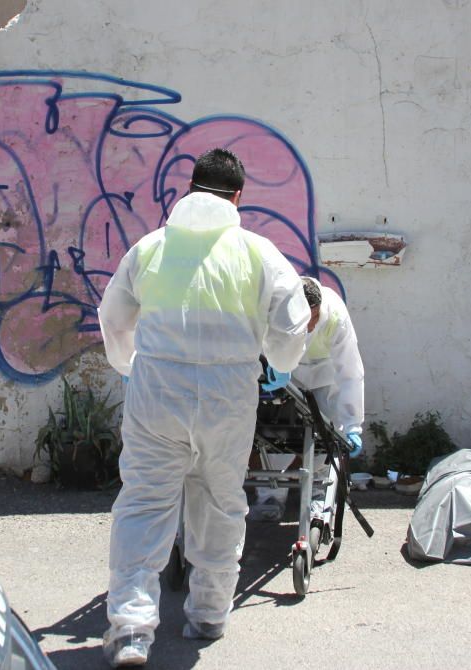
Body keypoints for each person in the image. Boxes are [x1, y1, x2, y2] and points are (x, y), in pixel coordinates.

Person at [97, 148, 310, 667]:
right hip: (227, 397)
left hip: (157, 393)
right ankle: (209, 615)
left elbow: (114, 317)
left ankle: (130, 629)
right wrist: (279, 364)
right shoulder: (258, 252)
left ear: (189, 189)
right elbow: (291, 321)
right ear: (239, 197)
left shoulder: (149, 249)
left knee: (146, 504)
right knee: (219, 501)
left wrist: (132, 367)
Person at [252, 275, 365, 522]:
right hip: (287, 375)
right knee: (277, 437)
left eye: (315, 319)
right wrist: (270, 365)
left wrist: (353, 424)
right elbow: (259, 340)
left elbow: (350, 371)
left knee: (325, 439)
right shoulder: (279, 307)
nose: (311, 326)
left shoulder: (335, 315)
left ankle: (318, 496)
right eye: (306, 320)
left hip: (325, 376)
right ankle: (271, 496)